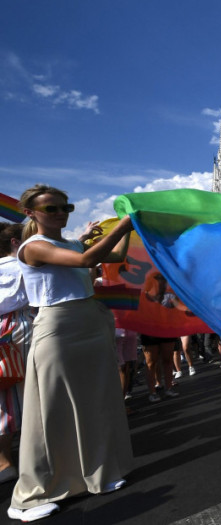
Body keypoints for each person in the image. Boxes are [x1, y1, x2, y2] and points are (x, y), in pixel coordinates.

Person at [9, 185, 134, 522]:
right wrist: (124, 224)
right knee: (51, 409)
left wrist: (127, 226)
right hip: (59, 328)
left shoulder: (69, 242)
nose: (61, 213)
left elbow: (115, 256)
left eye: (65, 207)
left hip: (89, 323)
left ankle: (98, 474)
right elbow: (86, 260)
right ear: (31, 213)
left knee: (97, 400)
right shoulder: (33, 247)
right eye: (51, 208)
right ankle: (30, 495)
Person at [0, 223, 32, 486]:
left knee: (7, 393)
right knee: (23, 390)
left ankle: (5, 461)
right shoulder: (19, 265)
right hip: (17, 328)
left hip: (12, 328)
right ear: (14, 242)